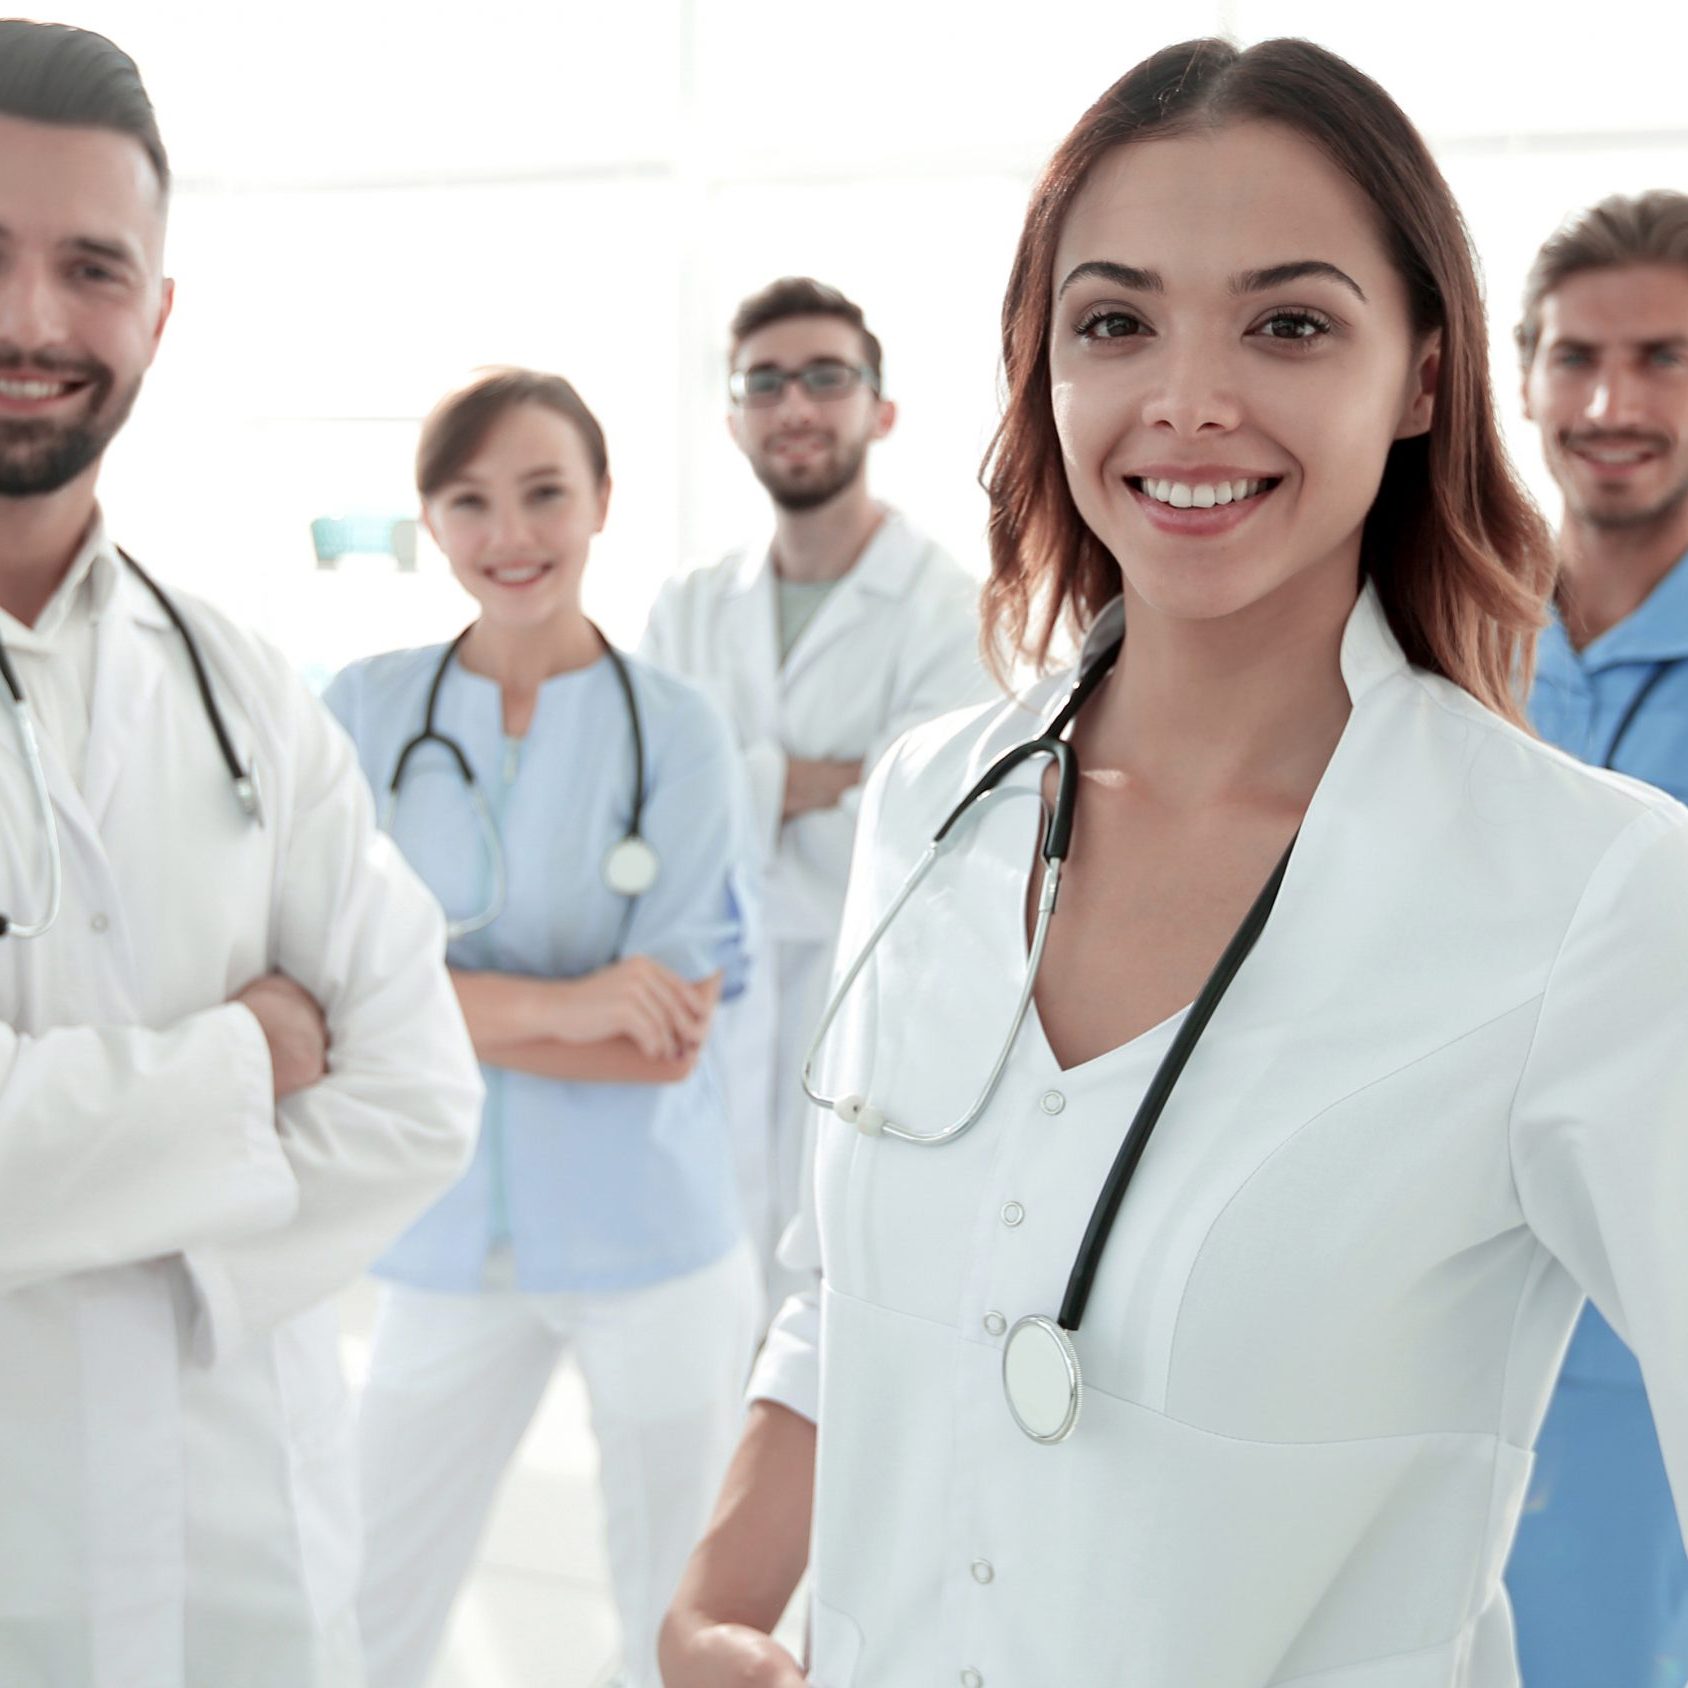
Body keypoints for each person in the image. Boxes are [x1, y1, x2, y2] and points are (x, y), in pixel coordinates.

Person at [660, 38, 1688, 1688]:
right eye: (1114, 321)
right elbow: (839, 1289)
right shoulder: (934, 802)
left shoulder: (1587, 892)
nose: (1185, 400)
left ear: (1421, 373)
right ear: (1041, 365)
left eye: (1285, 322)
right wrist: (710, 1600)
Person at [0, 21, 483, 1687]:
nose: (31, 322)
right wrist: (242, 1064)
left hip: (252, 1581)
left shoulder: (243, 687)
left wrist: (82, 1189)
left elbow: (421, 1090)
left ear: (157, 312)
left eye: (90, 267)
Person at [325, 369, 760, 1688]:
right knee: (361, 1606)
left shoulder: (678, 730)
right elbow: (323, 997)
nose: (508, 534)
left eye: (543, 493)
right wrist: (571, 1004)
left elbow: (668, 1039)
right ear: (431, 522)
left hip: (655, 1243)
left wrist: (420, 1008)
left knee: (668, 1628)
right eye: (470, 501)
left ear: (603, 504)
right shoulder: (362, 712)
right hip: (444, 1237)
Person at [639, 277, 991, 1309]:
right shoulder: (688, 604)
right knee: (705, 1328)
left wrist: (730, 786)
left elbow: (922, 837)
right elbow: (650, 811)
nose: (795, 405)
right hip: (703, 1009)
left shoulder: (949, 609)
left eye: (825, 377)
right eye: (766, 382)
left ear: (879, 409)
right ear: (734, 419)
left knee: (837, 1323)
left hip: (872, 1017)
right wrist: (826, 780)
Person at [1504, 189, 1688, 1688]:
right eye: (1575, 359)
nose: (1613, 402)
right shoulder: (1447, 645)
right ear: (1523, 381)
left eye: (1666, 357)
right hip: (1446, 1280)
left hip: (1650, 1323)